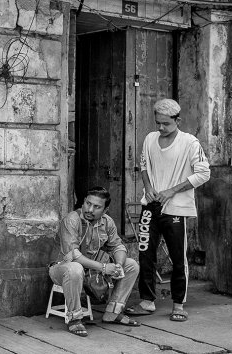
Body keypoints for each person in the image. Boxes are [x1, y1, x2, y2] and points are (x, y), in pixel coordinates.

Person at [125, 98, 210, 322]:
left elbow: (204, 173)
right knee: (145, 253)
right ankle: (147, 301)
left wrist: (171, 190)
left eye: (166, 124)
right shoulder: (150, 139)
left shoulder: (190, 143)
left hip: (176, 210)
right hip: (150, 206)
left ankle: (179, 304)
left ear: (177, 120)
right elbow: (144, 166)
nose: (161, 128)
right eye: (158, 123)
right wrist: (149, 186)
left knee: (177, 258)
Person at [50, 186, 140, 337]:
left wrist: (118, 265)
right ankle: (75, 318)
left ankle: (113, 312)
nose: (90, 209)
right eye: (87, 203)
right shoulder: (71, 220)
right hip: (61, 269)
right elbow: (74, 256)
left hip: (91, 269)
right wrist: (104, 268)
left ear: (105, 210)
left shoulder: (107, 222)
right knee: (75, 268)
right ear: (83, 202)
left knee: (131, 265)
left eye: (97, 207)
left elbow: (118, 245)